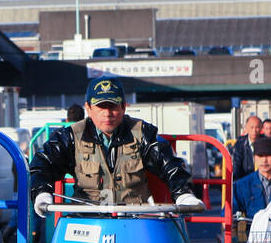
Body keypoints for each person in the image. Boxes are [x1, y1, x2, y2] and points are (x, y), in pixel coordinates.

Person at [28, 76, 196, 216]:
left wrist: (183, 193)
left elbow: (168, 162)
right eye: (101, 107)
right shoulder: (71, 136)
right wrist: (42, 193)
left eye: (113, 106)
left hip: (135, 220)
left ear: (123, 107)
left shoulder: (143, 133)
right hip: (87, 222)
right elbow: (43, 162)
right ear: (88, 108)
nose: (107, 113)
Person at [231, 115, 262, 180]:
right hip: (245, 180)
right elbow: (236, 165)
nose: (254, 130)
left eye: (257, 127)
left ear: (261, 128)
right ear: (246, 128)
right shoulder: (240, 144)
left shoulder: (267, 142)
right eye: (252, 127)